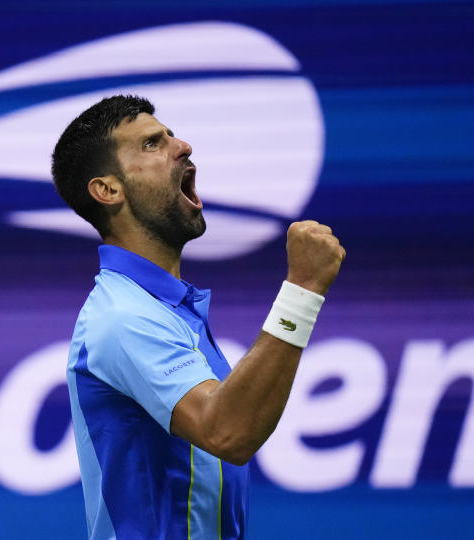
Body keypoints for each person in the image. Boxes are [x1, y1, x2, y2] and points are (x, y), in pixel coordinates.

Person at [52, 95, 345, 540]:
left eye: (171, 135)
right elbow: (228, 431)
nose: (183, 145)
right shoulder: (123, 318)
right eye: (152, 144)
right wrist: (301, 293)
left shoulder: (163, 309)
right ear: (108, 190)